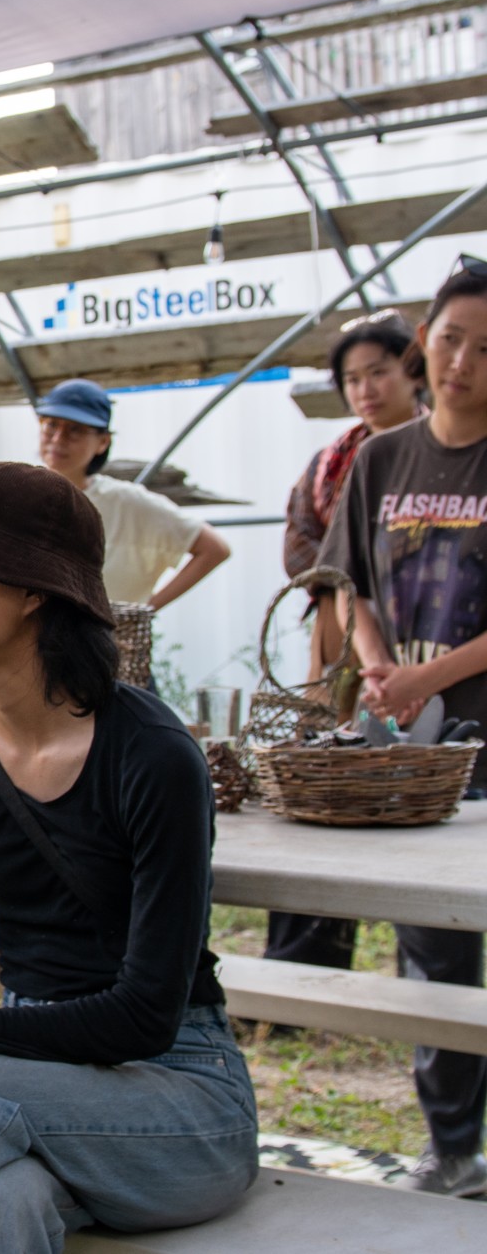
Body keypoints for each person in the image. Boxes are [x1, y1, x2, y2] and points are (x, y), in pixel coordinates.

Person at [0, 462, 256, 1253]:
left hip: (180, 1092)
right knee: (1, 1201)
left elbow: (146, 1013)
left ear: (33, 588)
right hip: (25, 1080)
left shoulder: (154, 756)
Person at [319, 255, 487, 1198]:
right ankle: (453, 1146)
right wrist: (379, 664)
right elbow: (350, 583)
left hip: (475, 726)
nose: (462, 362)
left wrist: (427, 675)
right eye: (452, 339)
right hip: (416, 755)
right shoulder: (381, 458)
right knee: (435, 947)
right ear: (426, 339)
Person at [268, 311, 423, 974]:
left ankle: (420, 956)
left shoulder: (442, 452)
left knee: (412, 789)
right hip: (340, 640)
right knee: (327, 784)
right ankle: (309, 960)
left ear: (411, 372)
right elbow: (305, 546)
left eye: (378, 372)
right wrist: (349, 595)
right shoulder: (334, 461)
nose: (366, 389)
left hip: (423, 643)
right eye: (353, 378)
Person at [34, 378, 229, 609]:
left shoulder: (128, 502)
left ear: (103, 442)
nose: (58, 438)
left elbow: (214, 549)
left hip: (103, 632)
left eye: (75, 429)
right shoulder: (20, 495)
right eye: (51, 425)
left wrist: (145, 610)